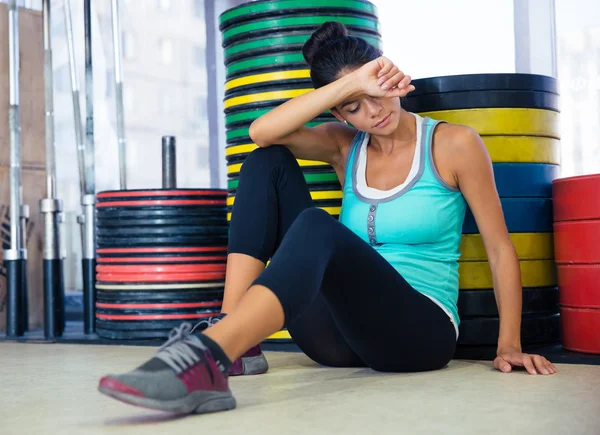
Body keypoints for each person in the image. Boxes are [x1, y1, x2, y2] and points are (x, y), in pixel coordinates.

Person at [98, 21, 556, 415]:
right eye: (355, 106)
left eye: (376, 96)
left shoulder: (454, 144)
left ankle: (210, 357)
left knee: (319, 226)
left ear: (390, 78)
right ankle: (237, 342)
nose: (373, 113)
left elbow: (499, 247)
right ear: (337, 110)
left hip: (417, 332)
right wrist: (346, 86)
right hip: (339, 337)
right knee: (266, 161)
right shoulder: (344, 145)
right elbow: (261, 132)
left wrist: (509, 344)